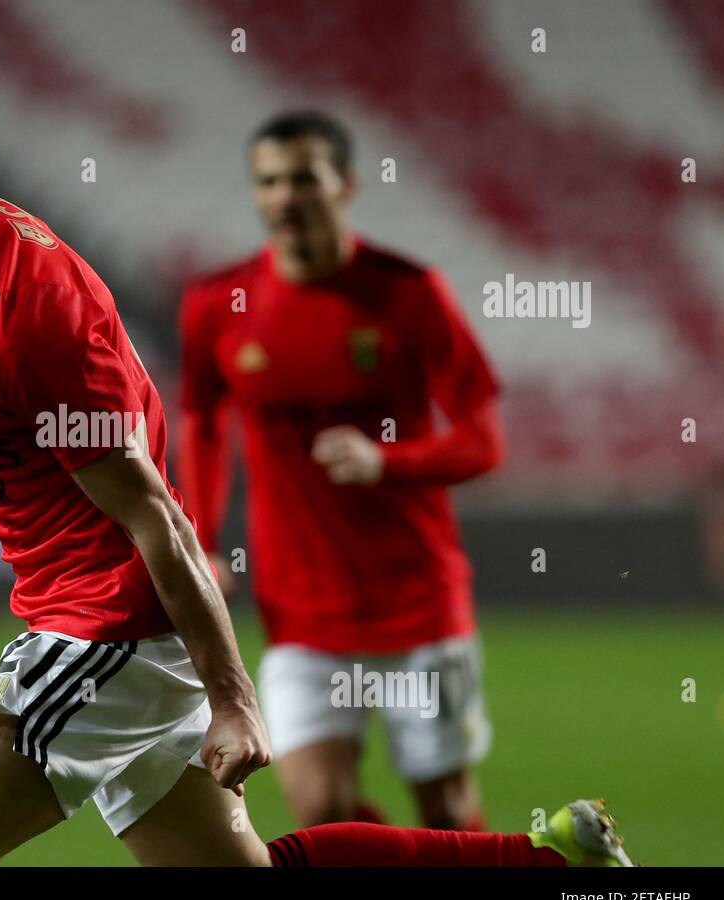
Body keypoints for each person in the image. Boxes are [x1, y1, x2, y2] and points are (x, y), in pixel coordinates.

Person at [0, 61, 629, 867]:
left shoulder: (24, 308)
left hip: (108, 629)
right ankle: (552, 860)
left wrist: (235, 698)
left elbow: (154, 514)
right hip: (106, 629)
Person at [180, 111, 503, 831]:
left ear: (347, 187)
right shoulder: (218, 305)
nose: (286, 197)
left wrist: (388, 461)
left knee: (447, 815)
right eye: (268, 181)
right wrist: (200, 538)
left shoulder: (409, 293)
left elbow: (484, 440)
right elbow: (203, 419)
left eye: (304, 178)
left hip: (419, 605)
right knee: (322, 816)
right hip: (301, 614)